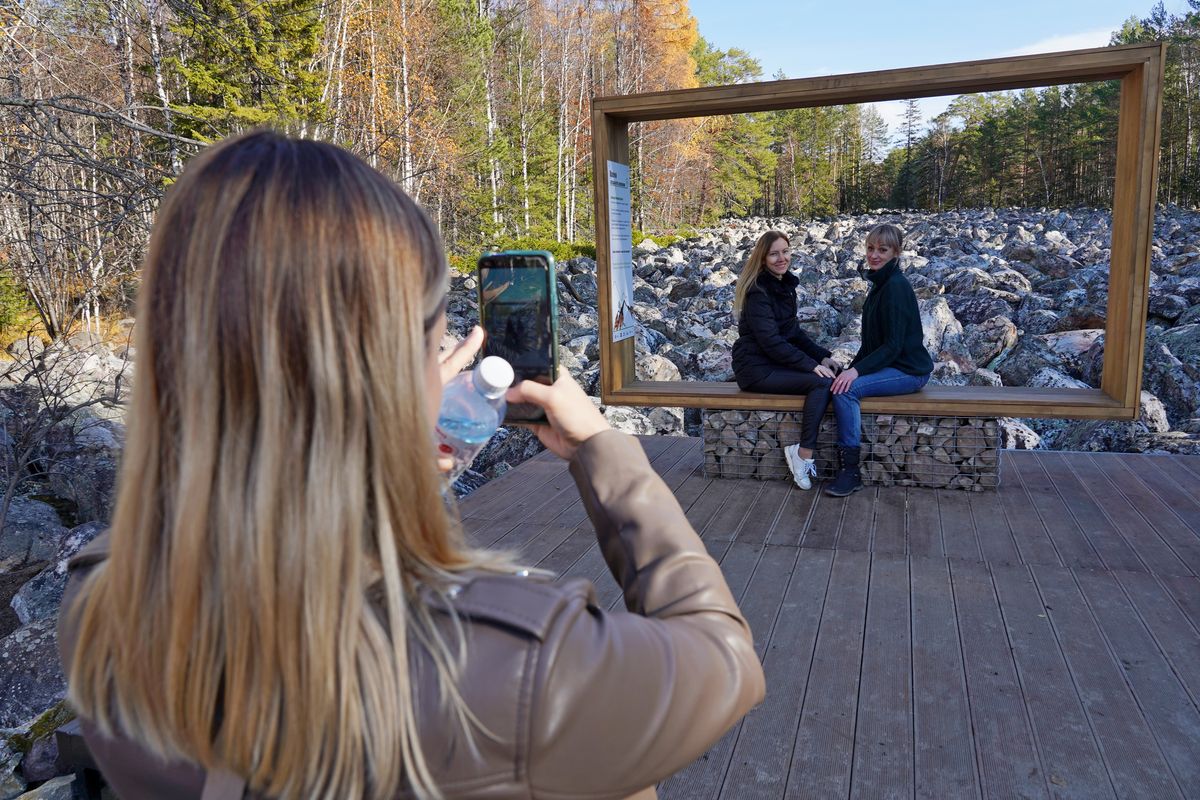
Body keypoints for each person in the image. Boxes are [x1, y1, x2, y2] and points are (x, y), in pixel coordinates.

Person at [57, 132, 764, 800]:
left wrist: (390, 462)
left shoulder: (104, 603)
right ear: (386, 372)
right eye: (432, 345)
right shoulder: (514, 665)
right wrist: (606, 453)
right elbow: (724, 659)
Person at [826, 223, 933, 497]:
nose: (874, 255)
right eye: (871, 248)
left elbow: (894, 346)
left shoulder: (895, 287)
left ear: (896, 253)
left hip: (910, 370)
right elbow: (871, 344)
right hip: (892, 365)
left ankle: (850, 471)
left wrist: (855, 374)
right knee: (842, 382)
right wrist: (851, 369)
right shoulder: (879, 284)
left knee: (847, 391)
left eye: (882, 250)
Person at [732, 230, 839, 490]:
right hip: (755, 368)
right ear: (763, 258)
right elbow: (771, 341)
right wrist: (810, 365)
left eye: (785, 251)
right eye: (774, 254)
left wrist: (823, 357)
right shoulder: (758, 291)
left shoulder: (785, 285)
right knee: (820, 383)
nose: (781, 258)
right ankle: (802, 454)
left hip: (772, 362)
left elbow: (793, 333)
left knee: (836, 375)